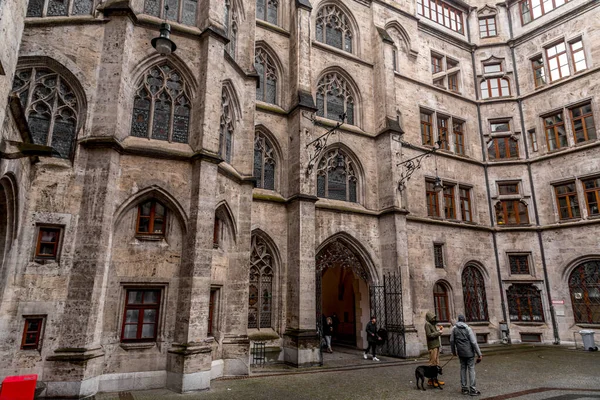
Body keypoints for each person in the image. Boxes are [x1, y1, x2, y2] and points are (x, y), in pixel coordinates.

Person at [450, 315, 482, 396]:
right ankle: (472, 390)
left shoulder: (454, 328)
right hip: (469, 353)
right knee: (471, 369)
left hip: (461, 352)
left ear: (458, 320)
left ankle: (464, 389)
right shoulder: (468, 328)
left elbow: (452, 341)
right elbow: (474, 342)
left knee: (463, 369)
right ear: (464, 320)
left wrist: (454, 351)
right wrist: (479, 354)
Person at [424, 311, 445, 387]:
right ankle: (430, 380)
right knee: (432, 363)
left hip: (436, 345)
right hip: (432, 346)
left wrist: (439, 330)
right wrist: (438, 332)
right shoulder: (427, 324)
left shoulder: (432, 324)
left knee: (436, 363)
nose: (434, 319)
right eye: (432, 317)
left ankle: (435, 379)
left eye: (434, 317)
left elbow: (434, 333)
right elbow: (429, 335)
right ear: (429, 318)